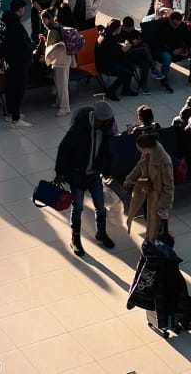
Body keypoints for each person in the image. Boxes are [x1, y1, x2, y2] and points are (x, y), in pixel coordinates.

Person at [54, 102, 117, 256]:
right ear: (98, 119)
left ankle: (101, 232)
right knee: (77, 209)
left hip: (94, 175)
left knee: (100, 207)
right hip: (77, 175)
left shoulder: (104, 130)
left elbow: (107, 151)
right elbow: (63, 150)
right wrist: (60, 172)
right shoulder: (78, 130)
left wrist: (107, 170)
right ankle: (75, 239)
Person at [123, 133, 175, 240]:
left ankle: (154, 245)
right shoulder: (148, 153)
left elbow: (169, 187)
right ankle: (150, 243)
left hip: (159, 197)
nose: (139, 151)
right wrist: (130, 178)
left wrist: (163, 204)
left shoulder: (164, 161)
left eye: (140, 149)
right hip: (148, 192)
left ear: (147, 148)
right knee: (150, 220)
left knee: (157, 225)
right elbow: (139, 166)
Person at [0, 0, 36, 128]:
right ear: (19, 11)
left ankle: (10, 113)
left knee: (10, 86)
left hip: (7, 60)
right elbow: (25, 45)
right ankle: (16, 119)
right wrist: (34, 46)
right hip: (18, 61)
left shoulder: (2, 21)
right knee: (18, 89)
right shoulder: (16, 27)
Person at [148, 11, 191, 93]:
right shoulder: (162, 27)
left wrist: (186, 48)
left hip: (179, 48)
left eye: (178, 24)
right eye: (175, 24)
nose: (176, 26)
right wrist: (172, 51)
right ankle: (164, 83)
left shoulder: (182, 25)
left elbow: (188, 38)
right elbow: (157, 44)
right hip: (163, 49)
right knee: (167, 58)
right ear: (170, 20)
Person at [96, 19, 139, 101]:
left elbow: (114, 48)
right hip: (105, 65)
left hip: (110, 61)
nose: (121, 28)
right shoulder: (107, 39)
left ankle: (126, 89)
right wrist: (123, 50)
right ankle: (111, 91)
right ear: (116, 29)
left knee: (131, 66)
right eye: (120, 27)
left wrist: (121, 46)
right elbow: (111, 56)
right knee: (125, 72)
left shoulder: (110, 35)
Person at [44, 29, 71, 116]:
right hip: (65, 58)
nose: (43, 23)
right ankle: (59, 103)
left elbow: (50, 46)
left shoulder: (53, 30)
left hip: (60, 61)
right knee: (60, 85)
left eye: (44, 20)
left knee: (62, 86)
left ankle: (65, 108)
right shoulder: (63, 29)